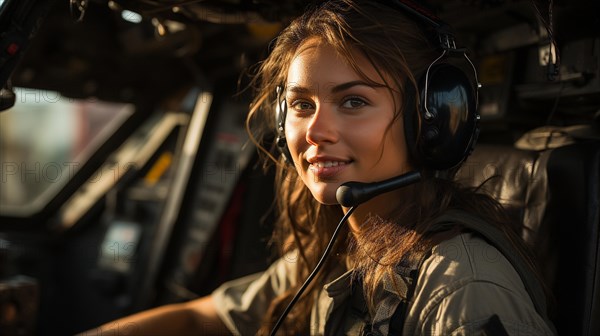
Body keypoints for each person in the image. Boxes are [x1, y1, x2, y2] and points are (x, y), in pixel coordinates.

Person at [85, 0, 556, 335]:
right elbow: (206, 317)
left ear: (433, 119)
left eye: (353, 101)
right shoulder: (342, 245)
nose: (314, 131)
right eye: (301, 104)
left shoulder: (462, 288)